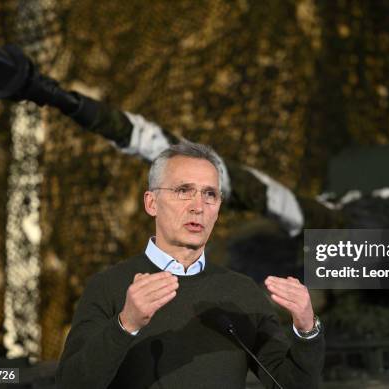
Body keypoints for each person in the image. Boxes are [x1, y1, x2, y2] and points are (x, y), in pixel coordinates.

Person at [56, 141, 325, 388]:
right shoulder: (110, 286)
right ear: (151, 203)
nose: (198, 206)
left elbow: (292, 385)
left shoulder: (241, 293)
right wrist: (126, 324)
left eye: (210, 194)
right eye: (183, 191)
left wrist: (306, 329)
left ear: (218, 209)